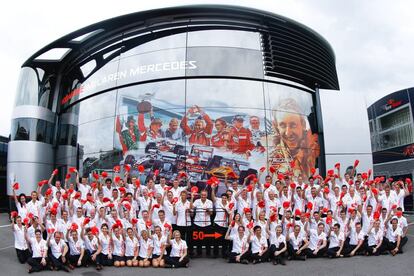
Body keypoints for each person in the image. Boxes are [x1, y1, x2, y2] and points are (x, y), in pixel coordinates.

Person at [190, 190, 213, 256]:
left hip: (207, 223)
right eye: (202, 195)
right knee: (198, 239)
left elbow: (211, 213)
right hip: (198, 223)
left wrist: (208, 210)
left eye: (204, 195)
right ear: (200, 195)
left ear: (207, 195)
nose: (203, 196)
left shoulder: (209, 202)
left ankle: (208, 253)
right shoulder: (197, 201)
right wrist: (192, 197)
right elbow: (191, 207)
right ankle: (199, 253)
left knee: (208, 239)